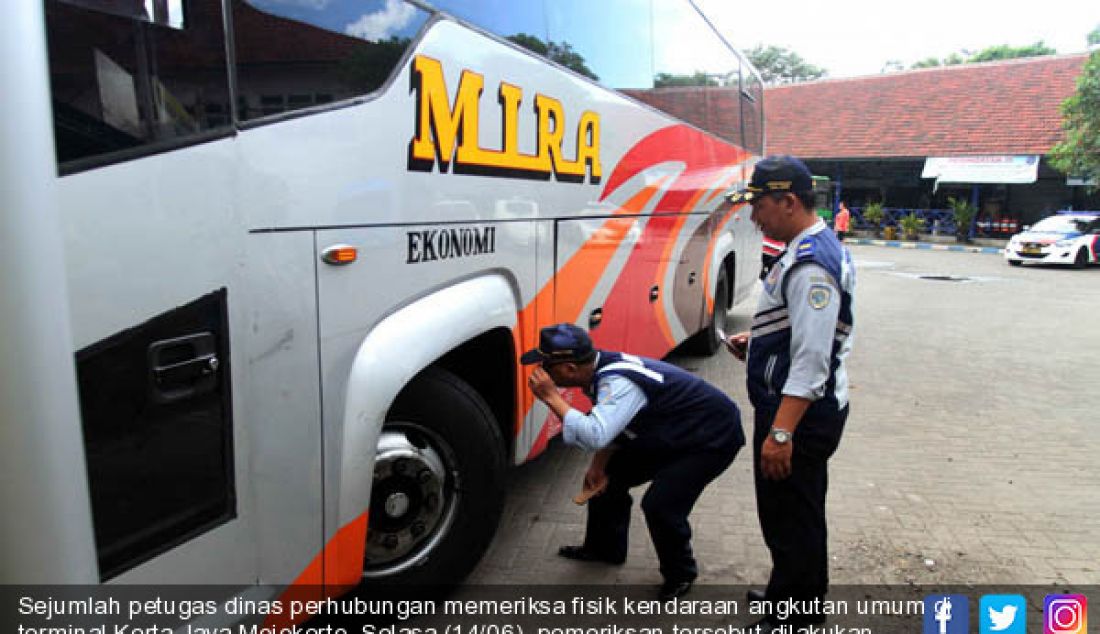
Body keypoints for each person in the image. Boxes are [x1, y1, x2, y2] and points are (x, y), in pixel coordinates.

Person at [724, 156, 855, 629]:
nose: (754, 216)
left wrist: (780, 434)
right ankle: (796, 596)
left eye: (759, 205)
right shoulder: (810, 245)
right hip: (799, 408)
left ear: (789, 201)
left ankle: (793, 617)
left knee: (788, 517)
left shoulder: (811, 265)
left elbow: (812, 360)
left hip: (799, 415)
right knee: (800, 511)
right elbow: (798, 331)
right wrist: (757, 343)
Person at [523, 323, 743, 600]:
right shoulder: (598, 371)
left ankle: (681, 574)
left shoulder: (618, 382)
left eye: (546, 366)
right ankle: (605, 549)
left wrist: (551, 397)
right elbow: (615, 426)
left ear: (569, 369)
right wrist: (598, 465)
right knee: (607, 480)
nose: (541, 372)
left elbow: (594, 434)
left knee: (661, 505)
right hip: (672, 429)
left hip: (710, 438)